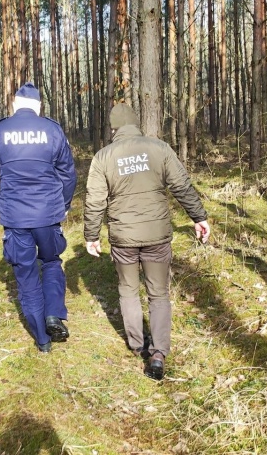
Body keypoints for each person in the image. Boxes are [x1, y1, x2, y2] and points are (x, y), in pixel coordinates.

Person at [84, 103, 209, 380]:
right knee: (159, 293)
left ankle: (136, 343)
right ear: (136, 123)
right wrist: (198, 217)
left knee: (128, 289)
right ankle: (159, 353)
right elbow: (181, 186)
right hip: (157, 236)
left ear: (113, 128)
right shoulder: (159, 148)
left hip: (123, 238)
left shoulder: (103, 157)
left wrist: (91, 235)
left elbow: (94, 201)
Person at [0, 83, 77, 353]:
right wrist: (63, 205)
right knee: (52, 262)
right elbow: (68, 175)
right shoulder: (52, 130)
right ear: (39, 106)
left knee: (26, 275)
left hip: (15, 217)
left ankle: (42, 341)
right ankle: (53, 314)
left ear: (14, 104)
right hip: (47, 214)